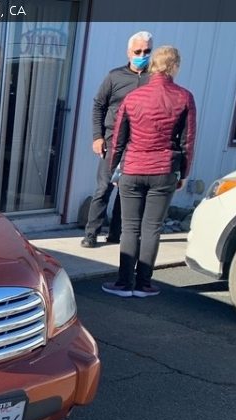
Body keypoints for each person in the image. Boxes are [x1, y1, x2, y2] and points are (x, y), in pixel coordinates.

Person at [102, 46, 196, 298]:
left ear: (152, 65)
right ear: (175, 66)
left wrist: (113, 170)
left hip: (133, 168)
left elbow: (118, 139)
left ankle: (123, 283)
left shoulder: (134, 97)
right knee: (152, 228)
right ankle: (144, 284)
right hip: (164, 169)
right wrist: (183, 172)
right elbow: (188, 140)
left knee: (130, 227)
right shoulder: (184, 97)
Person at [81, 31, 153, 249]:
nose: (142, 55)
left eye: (147, 51)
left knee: (127, 190)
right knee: (104, 188)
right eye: (138, 51)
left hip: (138, 144)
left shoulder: (154, 79)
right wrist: (97, 137)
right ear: (129, 52)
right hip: (112, 141)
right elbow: (98, 106)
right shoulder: (115, 77)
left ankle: (116, 233)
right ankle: (91, 234)